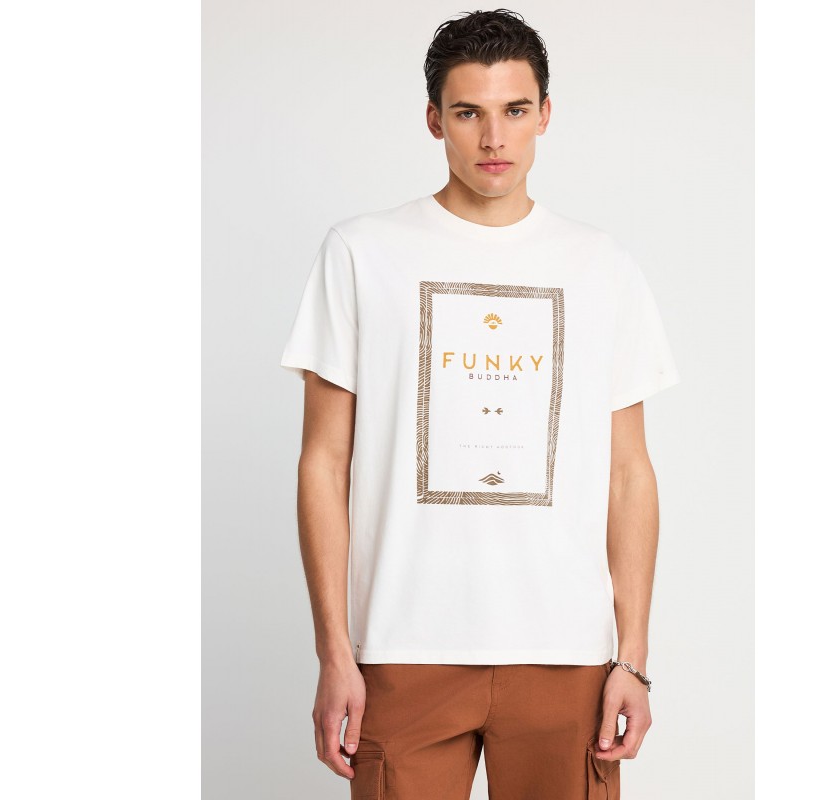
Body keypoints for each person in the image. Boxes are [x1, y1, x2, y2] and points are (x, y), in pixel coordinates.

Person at [280, 9, 679, 798]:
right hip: (402, 649)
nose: (494, 138)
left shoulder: (601, 266)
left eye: (514, 110)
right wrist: (334, 652)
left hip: (567, 657)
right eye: (468, 113)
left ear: (545, 114)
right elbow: (323, 462)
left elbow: (629, 474)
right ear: (435, 119)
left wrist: (632, 658)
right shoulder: (362, 254)